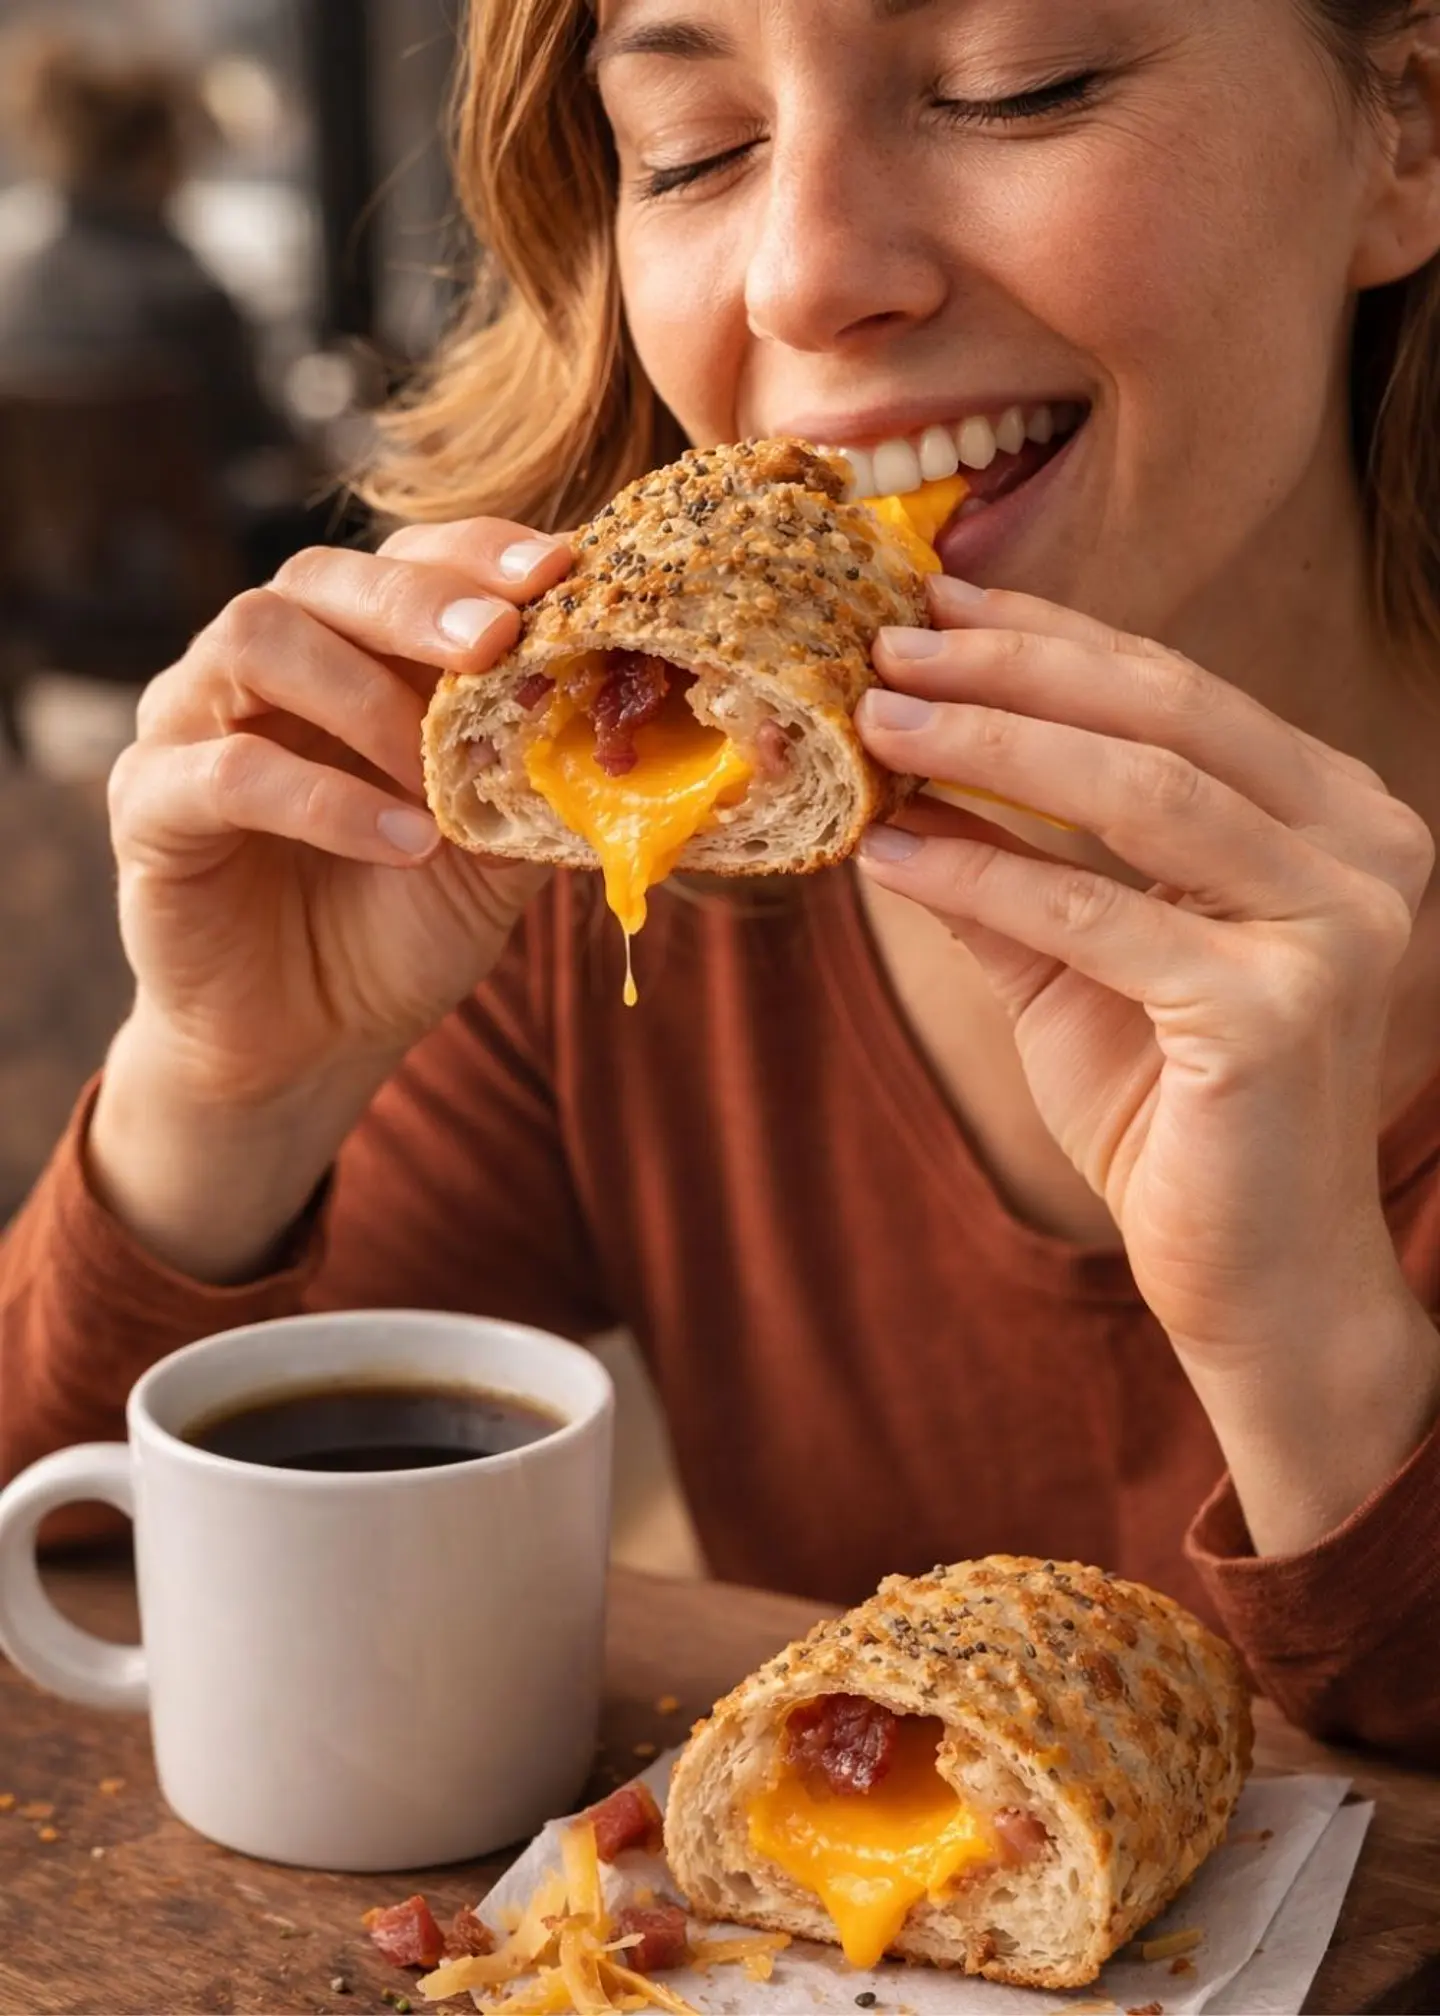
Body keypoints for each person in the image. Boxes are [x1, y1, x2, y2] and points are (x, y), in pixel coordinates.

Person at [3, 0, 1440, 1763]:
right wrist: (226, 1092)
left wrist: (1324, 1360)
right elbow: (61, 1571)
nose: (799, 278)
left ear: (1410, 123)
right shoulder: (610, 890)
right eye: (691, 148)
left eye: (1017, 87)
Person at [0, 27, 313, 577]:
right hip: (193, 594)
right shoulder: (186, 293)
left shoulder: (19, 283)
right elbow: (267, 443)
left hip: (55, 597)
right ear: (157, 151)